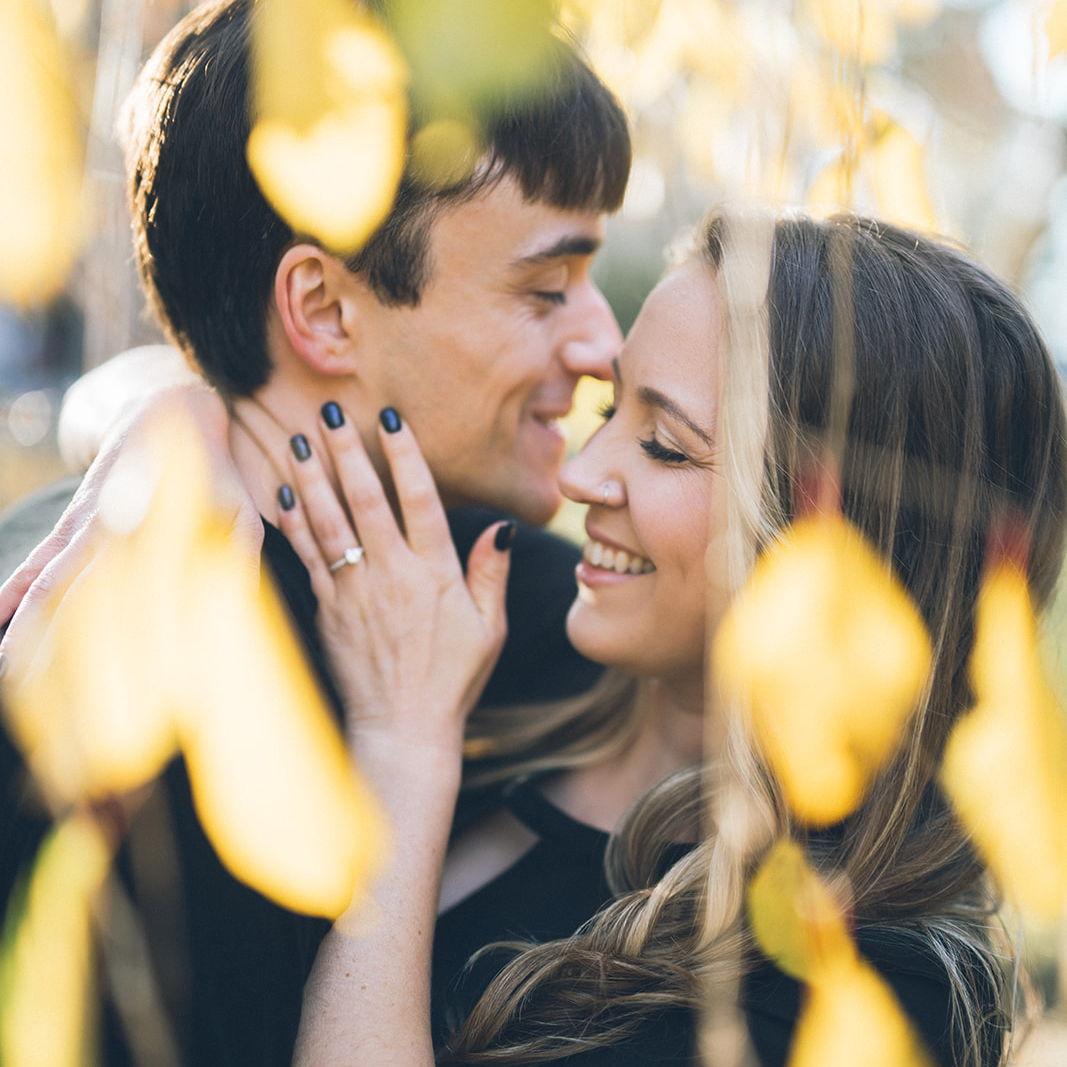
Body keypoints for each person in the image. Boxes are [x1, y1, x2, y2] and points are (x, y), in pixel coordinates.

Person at [252, 211, 1062, 1066]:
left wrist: (404, 749)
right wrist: (178, 430)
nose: (580, 473)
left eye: (665, 448)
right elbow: (246, 425)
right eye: (609, 406)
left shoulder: (858, 988)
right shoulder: (499, 612)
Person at [0, 0, 631, 1062]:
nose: (603, 343)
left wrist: (178, 409)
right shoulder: (101, 683)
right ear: (325, 310)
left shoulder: (527, 597)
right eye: (545, 288)